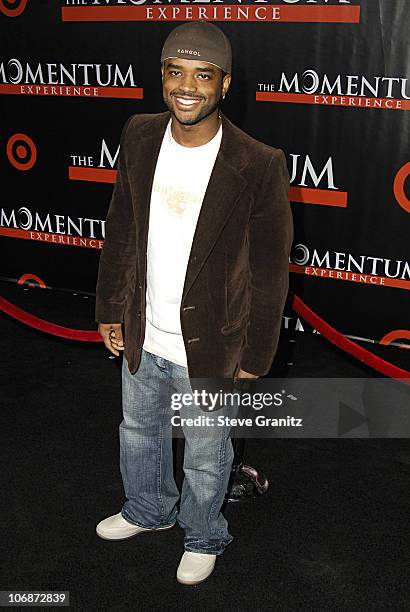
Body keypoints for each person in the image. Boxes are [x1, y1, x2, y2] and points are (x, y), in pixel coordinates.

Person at [95, 21, 293, 586]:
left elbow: (268, 267)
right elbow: (121, 228)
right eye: (175, 72)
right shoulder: (138, 133)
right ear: (161, 76)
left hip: (212, 341)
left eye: (202, 75)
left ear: (224, 84)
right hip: (144, 324)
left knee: (206, 452)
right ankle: (148, 510)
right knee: (138, 428)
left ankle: (204, 533)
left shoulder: (258, 162)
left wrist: (256, 350)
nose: (187, 87)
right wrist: (111, 307)